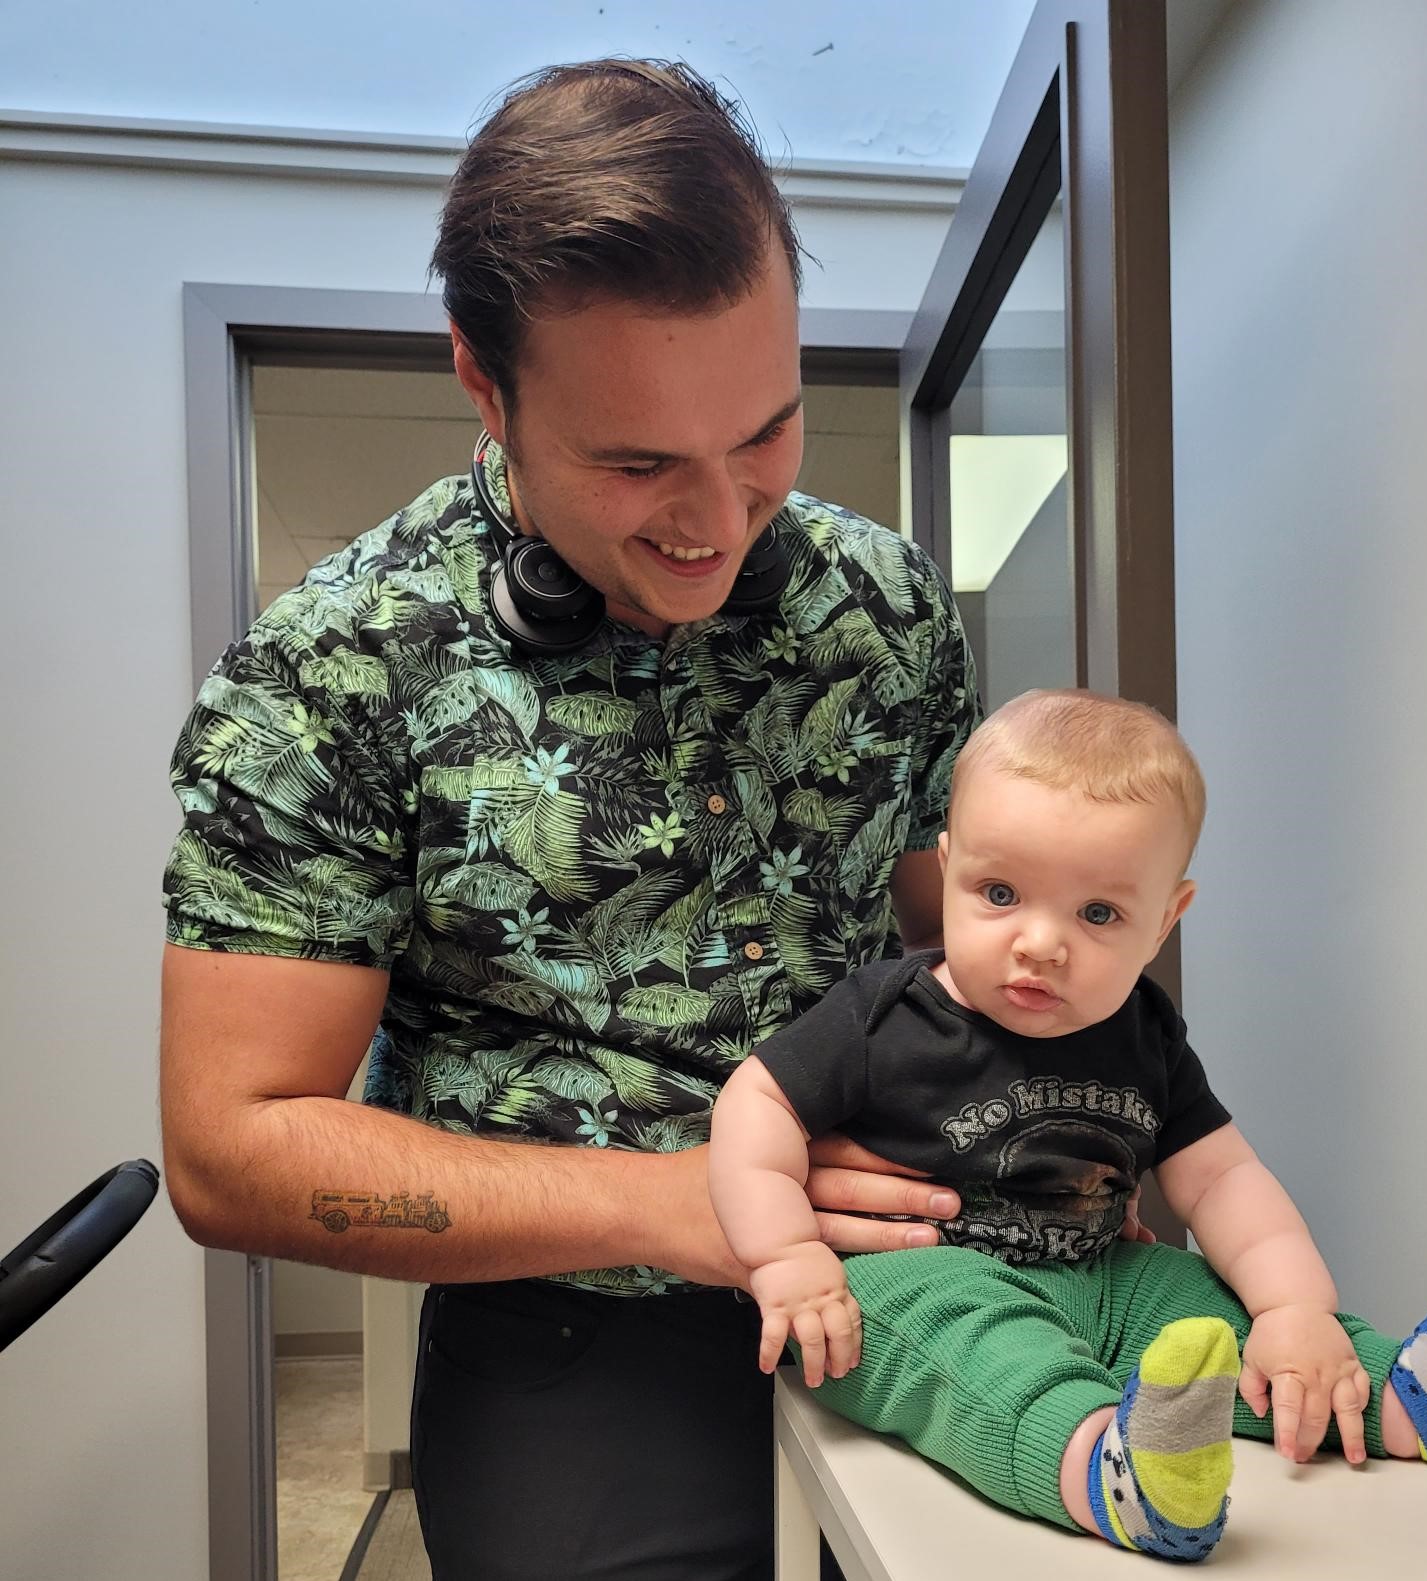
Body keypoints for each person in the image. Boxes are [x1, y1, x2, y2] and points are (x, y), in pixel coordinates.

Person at [159, 58, 993, 1581]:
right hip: (570, 1353)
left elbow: (970, 953)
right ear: (484, 381)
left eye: (765, 435)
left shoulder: (887, 607)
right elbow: (230, 1150)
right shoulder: (328, 671)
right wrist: (682, 1205)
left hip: (912, 1286)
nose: (718, 520)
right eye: (637, 462)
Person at [709, 688, 1427, 1563]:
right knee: (986, 1358)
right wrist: (786, 1255)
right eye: (1001, 892)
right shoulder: (883, 1014)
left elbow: (1222, 1178)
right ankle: (1111, 1471)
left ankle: (1412, 1396)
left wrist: (1294, 1304)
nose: (1040, 942)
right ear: (947, 872)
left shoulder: (1146, 1029)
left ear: (1166, 918)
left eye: (1098, 914)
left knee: (1211, 1310)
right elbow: (756, 1103)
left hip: (1107, 1273)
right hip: (924, 1278)